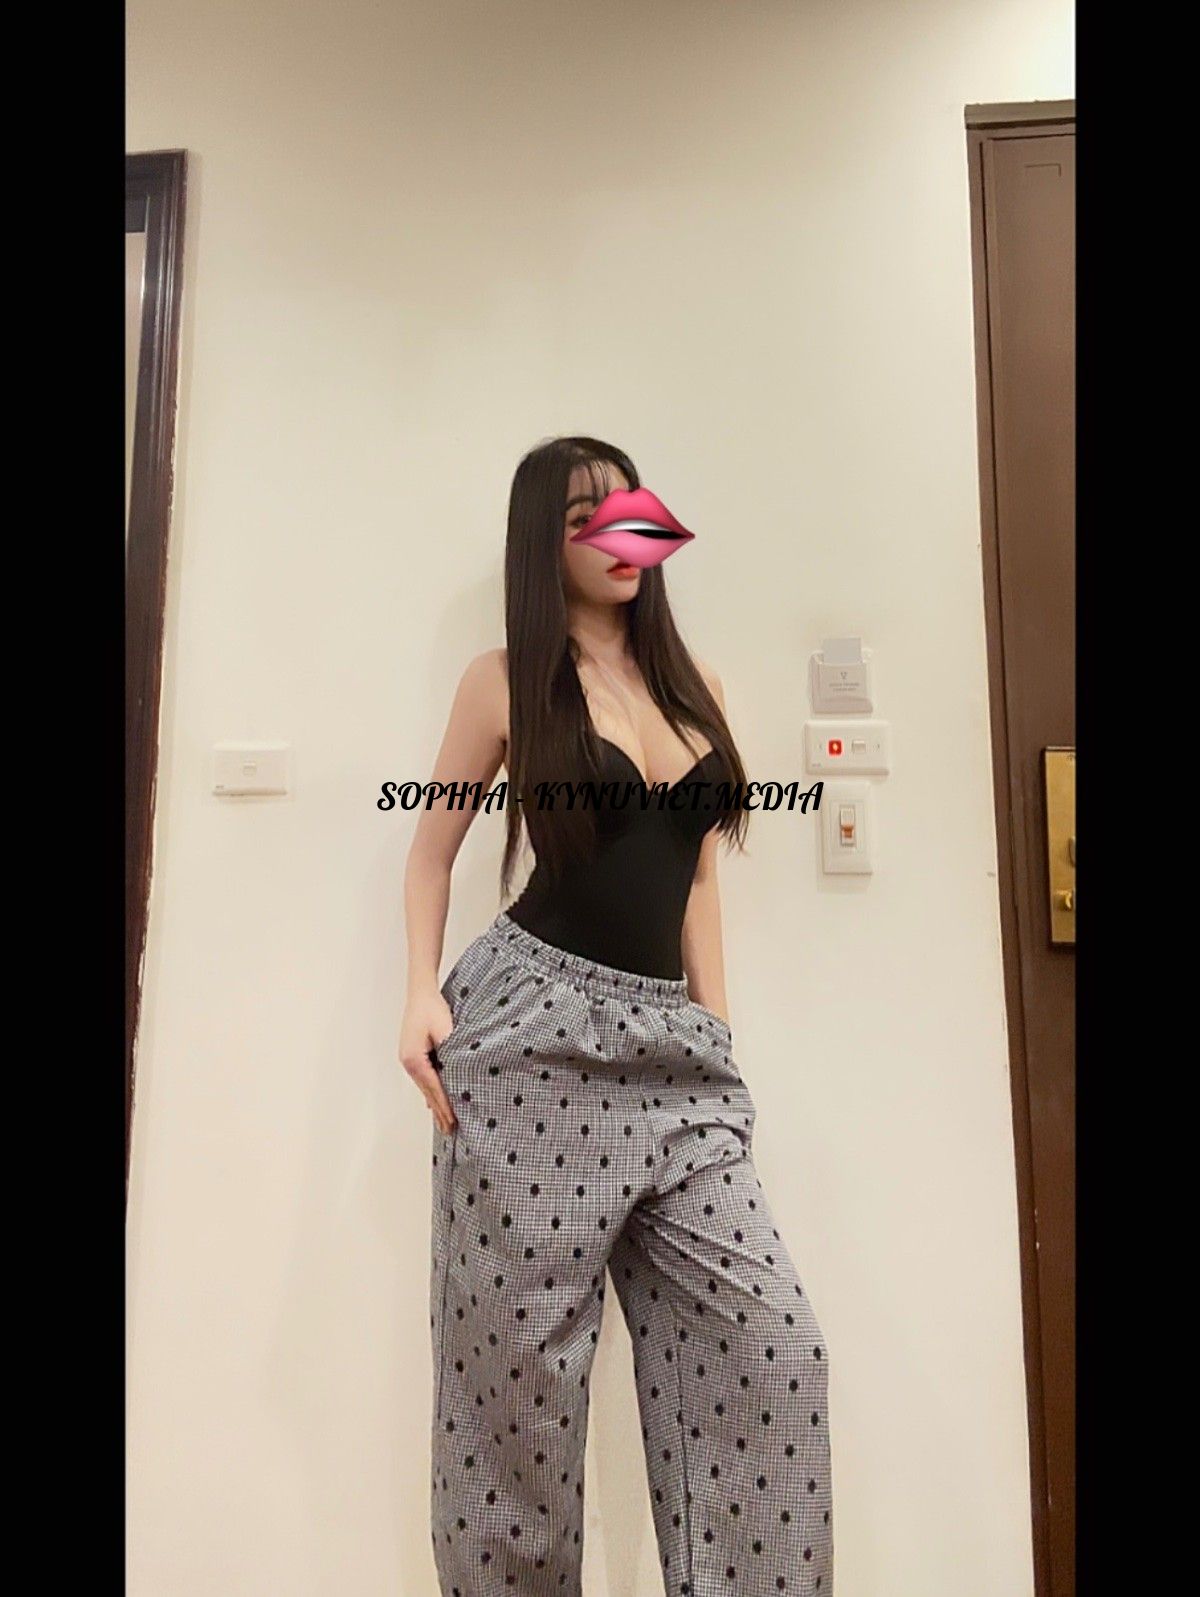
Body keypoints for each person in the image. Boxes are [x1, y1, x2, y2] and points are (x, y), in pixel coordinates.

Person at [400, 435, 832, 1593]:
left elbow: (697, 879)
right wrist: (417, 994)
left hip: (673, 1052)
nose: (619, 530)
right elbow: (431, 853)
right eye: (583, 515)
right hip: (528, 1039)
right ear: (543, 544)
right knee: (518, 1394)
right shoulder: (503, 681)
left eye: (628, 504)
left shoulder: (699, 687)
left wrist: (719, 1036)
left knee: (769, 1349)